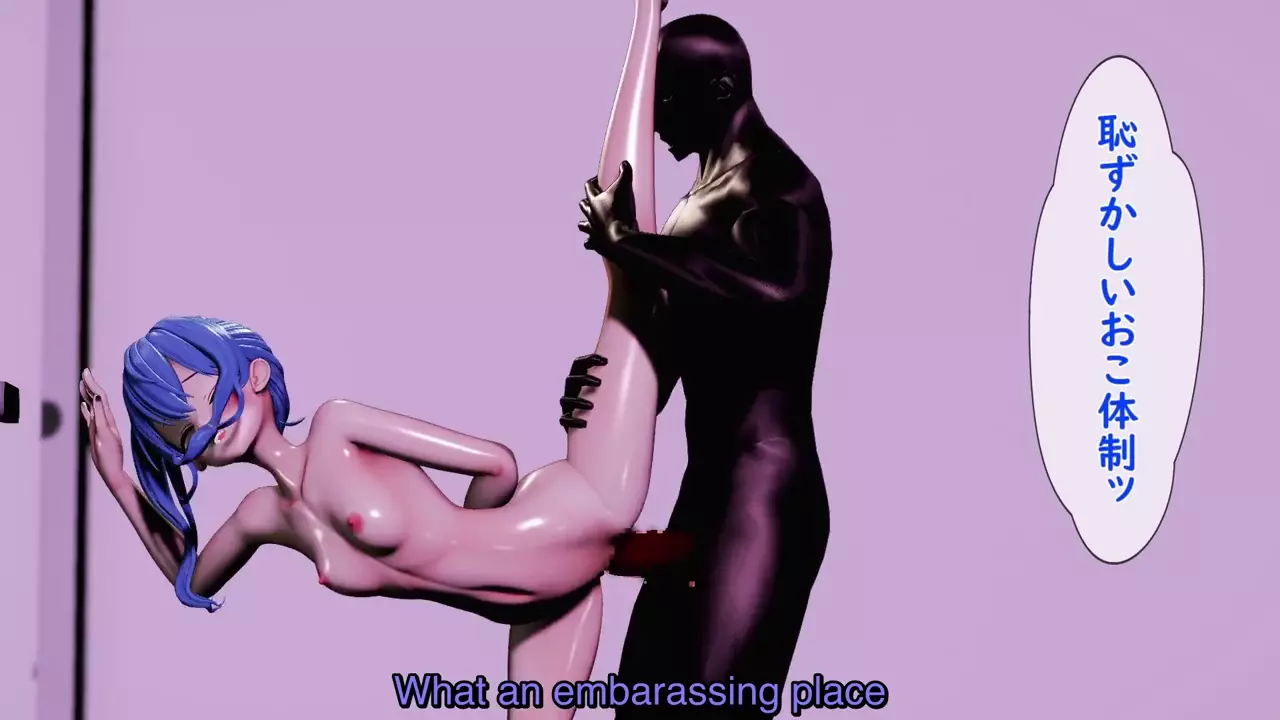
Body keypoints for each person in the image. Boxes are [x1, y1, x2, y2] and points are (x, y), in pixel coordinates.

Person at [81, 4, 667, 717]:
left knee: (627, 267)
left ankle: (646, 12)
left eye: (201, 395)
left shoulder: (338, 427)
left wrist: (473, 534)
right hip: (544, 609)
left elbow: (498, 465)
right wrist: (118, 476)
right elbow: (191, 579)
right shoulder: (264, 516)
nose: (201, 427)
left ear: (255, 374)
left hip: (580, 506)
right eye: (180, 430)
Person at [573, 12, 833, 717]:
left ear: (721, 90)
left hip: (764, 499)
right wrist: (605, 387)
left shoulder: (780, 187)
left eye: (667, 97)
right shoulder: (692, 207)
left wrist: (630, 243)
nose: (655, 116)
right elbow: (667, 366)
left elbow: (778, 297)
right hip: (702, 499)